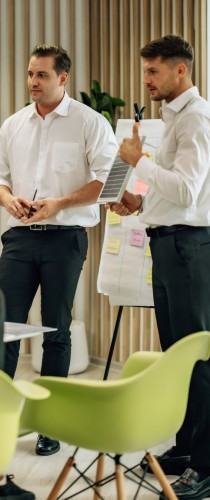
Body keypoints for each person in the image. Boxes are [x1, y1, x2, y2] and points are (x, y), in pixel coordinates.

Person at [0, 44, 118, 457]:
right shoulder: (13, 124)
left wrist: (58, 203)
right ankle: (2, 418)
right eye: (31, 74)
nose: (33, 82)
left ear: (63, 78)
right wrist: (8, 199)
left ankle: (51, 424)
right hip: (18, 236)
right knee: (5, 326)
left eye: (42, 75)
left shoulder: (90, 123)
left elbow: (107, 182)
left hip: (65, 239)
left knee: (56, 328)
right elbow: (0, 178)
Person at [107, 35, 210, 499]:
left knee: (198, 361)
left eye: (153, 72)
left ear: (180, 71)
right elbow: (170, 191)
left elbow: (188, 193)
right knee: (177, 359)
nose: (146, 80)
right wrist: (138, 202)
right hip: (168, 245)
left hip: (191, 249)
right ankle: (186, 450)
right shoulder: (174, 119)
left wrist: (139, 161)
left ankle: (206, 466)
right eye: (145, 71)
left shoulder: (196, 119)